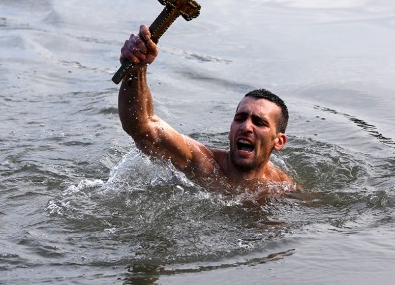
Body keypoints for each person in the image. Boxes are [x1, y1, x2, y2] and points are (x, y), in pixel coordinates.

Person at [117, 25, 297, 200]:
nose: (246, 127)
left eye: (259, 122)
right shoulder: (203, 164)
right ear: (230, 129)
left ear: (279, 141)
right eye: (240, 119)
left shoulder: (282, 188)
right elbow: (143, 126)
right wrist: (136, 69)